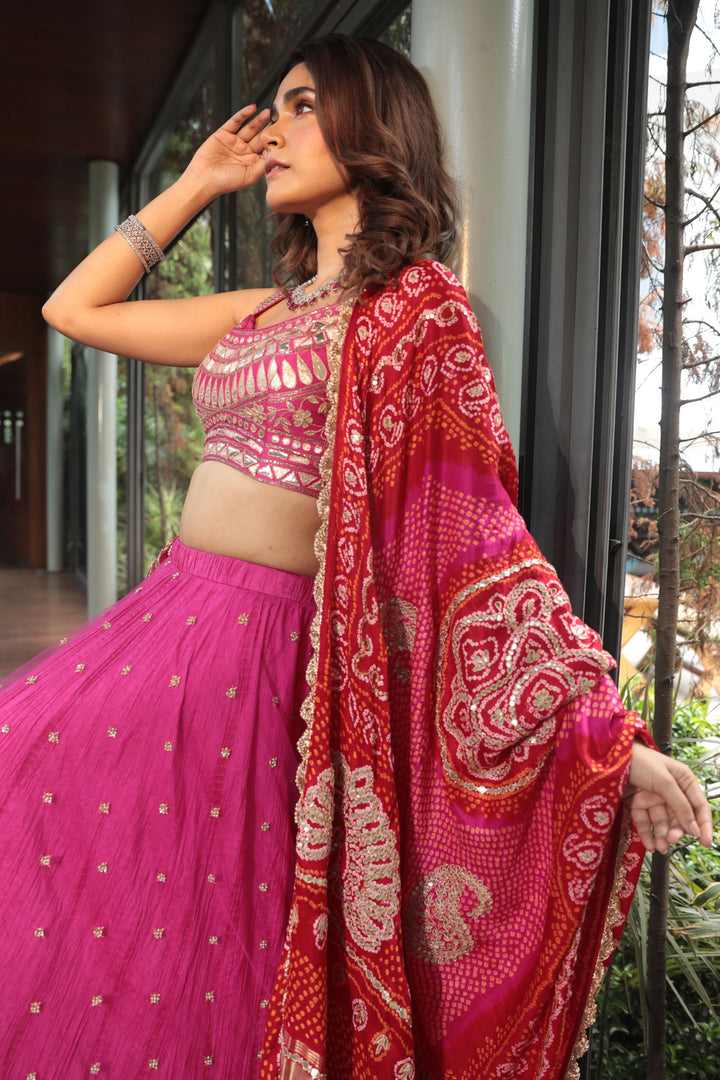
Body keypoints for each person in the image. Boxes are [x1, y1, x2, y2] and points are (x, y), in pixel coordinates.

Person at [0, 32, 712, 1080]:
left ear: (374, 127)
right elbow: (74, 309)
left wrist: (602, 731)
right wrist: (196, 180)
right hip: (168, 619)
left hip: (268, 656)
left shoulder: (417, 315)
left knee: (221, 927)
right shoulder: (259, 312)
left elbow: (475, 536)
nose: (274, 130)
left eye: (302, 108)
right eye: (272, 108)